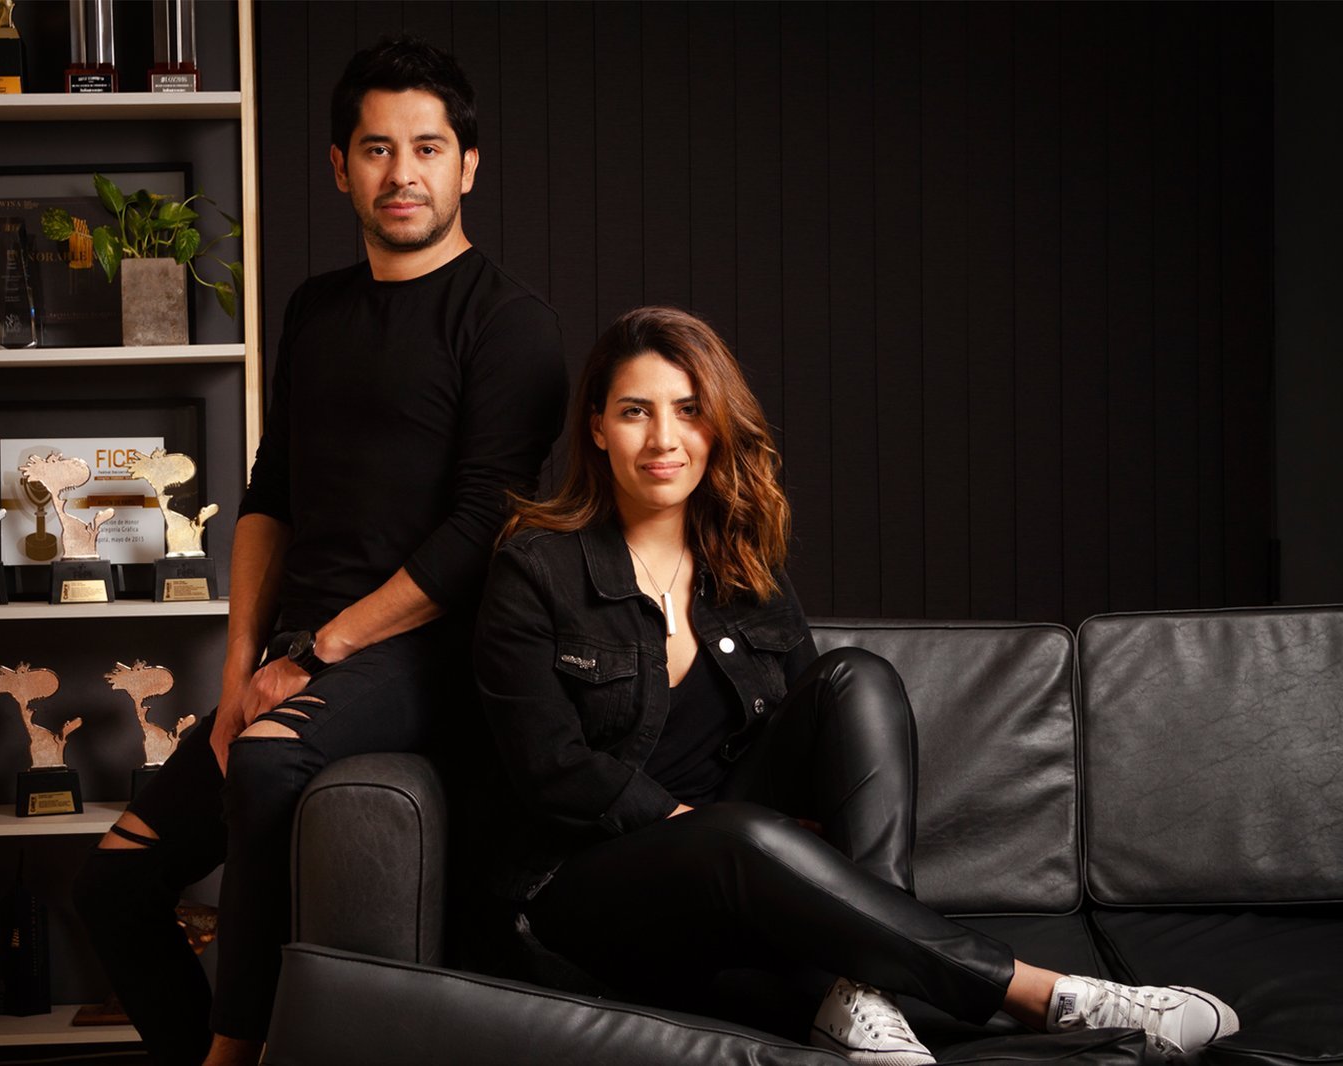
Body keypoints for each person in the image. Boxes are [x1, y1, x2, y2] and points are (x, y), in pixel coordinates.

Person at [473, 306, 1239, 1063]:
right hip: (588, 889)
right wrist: (695, 822)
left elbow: (813, 740)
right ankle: (1050, 995)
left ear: (717, 426)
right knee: (734, 832)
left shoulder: (747, 570)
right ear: (598, 427)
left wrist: (776, 845)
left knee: (857, 678)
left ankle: (861, 993)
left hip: (740, 874)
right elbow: (550, 768)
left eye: (689, 410)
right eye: (635, 412)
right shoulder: (535, 568)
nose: (664, 439)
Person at [74, 36, 566, 1066]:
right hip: (299, 654)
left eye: (427, 148)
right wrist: (239, 667)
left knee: (265, 757)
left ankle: (237, 1057)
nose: (403, 173)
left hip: (427, 656)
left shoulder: (510, 323)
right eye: (377, 149)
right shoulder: (315, 309)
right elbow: (271, 498)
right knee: (116, 881)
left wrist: (319, 653)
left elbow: (480, 531)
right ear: (340, 166)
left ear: (469, 165)